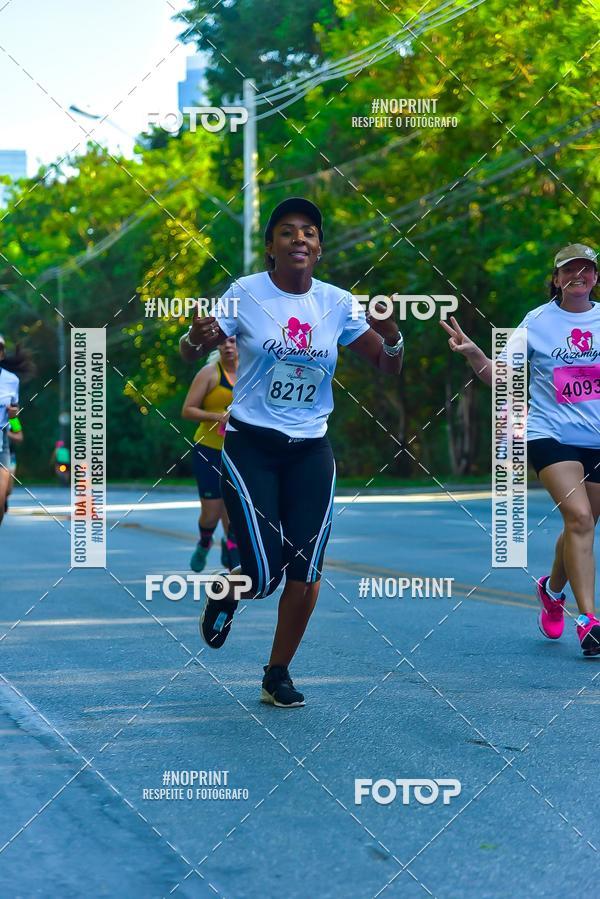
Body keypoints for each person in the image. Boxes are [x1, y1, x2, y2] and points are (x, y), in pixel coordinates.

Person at [179, 197, 403, 707]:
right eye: (287, 232)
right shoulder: (244, 295)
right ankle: (228, 589)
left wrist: (391, 337)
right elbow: (193, 347)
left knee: (306, 569)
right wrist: (195, 339)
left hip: (311, 450)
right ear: (271, 248)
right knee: (264, 576)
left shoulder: (338, 303)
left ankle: (277, 673)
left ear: (319, 248)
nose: (299, 238)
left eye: (308, 232)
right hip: (251, 445)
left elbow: (388, 365)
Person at [441, 243, 600, 657]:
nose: (578, 276)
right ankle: (589, 622)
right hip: (549, 435)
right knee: (580, 517)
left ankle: (551, 590)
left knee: (581, 526)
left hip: (597, 439)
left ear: (596, 278)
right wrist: (474, 352)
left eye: (586, 270)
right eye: (570, 270)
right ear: (557, 278)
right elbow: (502, 377)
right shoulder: (538, 321)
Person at [181, 339, 239, 572]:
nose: (227, 347)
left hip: (239, 452)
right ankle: (205, 541)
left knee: (235, 508)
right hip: (209, 450)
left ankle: (233, 552)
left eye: (232, 342)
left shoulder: (250, 370)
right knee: (212, 512)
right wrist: (219, 417)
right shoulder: (209, 373)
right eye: (222, 343)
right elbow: (187, 410)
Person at [0, 334, 29, 528]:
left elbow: (15, 421)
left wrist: (13, 419)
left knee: (3, 496)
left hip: (2, 443)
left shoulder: (11, 380)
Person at [4, 416, 23, 513]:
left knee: (8, 487)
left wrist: (6, 432)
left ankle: (4, 498)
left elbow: (20, 437)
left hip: (10, 457)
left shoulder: (13, 419)